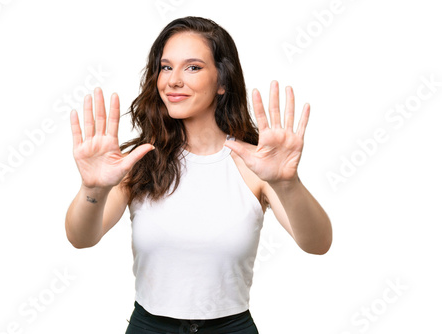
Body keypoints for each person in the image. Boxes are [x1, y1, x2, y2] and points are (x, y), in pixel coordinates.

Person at [65, 16, 332, 334]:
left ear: (222, 82)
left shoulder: (255, 165)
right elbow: (82, 238)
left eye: (192, 67)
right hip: (150, 327)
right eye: (166, 67)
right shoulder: (138, 161)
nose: (173, 81)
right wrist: (91, 188)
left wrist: (287, 183)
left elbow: (318, 243)